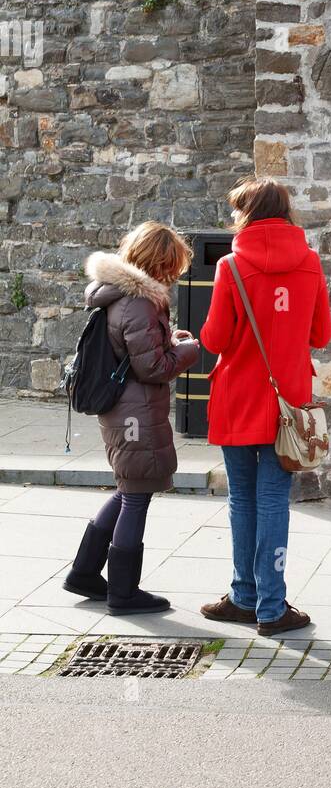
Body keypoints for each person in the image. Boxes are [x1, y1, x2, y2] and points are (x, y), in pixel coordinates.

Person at [198, 177, 331, 637]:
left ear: (247, 214)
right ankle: (272, 608)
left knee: (242, 498)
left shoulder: (231, 265)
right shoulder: (311, 263)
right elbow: (321, 335)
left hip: (238, 397)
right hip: (287, 402)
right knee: (274, 499)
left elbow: (213, 339)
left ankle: (244, 596)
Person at [63, 222, 200, 613]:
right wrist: (190, 350)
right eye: (173, 265)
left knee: (127, 489)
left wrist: (171, 339)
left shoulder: (122, 296)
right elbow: (153, 368)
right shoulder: (138, 302)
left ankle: (85, 573)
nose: (174, 274)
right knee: (136, 495)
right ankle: (124, 593)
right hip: (133, 411)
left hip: (125, 408)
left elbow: (136, 353)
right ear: (160, 262)